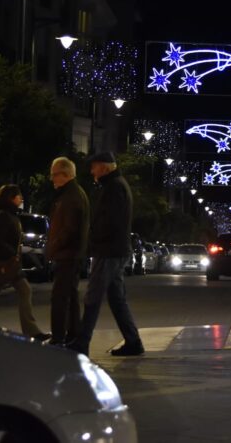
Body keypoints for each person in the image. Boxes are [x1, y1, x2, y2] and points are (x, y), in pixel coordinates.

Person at [67, 152, 144, 357]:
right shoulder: (116, 185)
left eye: (94, 166)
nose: (92, 171)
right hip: (114, 249)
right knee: (116, 298)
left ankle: (82, 342)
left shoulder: (113, 187)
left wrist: (94, 240)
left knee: (93, 296)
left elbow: (110, 222)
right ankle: (133, 341)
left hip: (108, 250)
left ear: (104, 167)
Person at [0, 184, 50, 342]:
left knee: (24, 290)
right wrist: (11, 254)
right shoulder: (3, 216)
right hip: (5, 262)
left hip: (12, 263)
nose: (21, 199)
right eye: (18, 196)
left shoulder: (11, 214)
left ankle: (32, 331)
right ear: (11, 198)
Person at [46, 157, 89, 346]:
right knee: (70, 295)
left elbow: (69, 229)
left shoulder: (70, 197)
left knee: (60, 297)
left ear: (66, 174)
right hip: (71, 253)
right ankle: (72, 333)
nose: (52, 179)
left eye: (54, 175)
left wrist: (53, 246)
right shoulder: (73, 194)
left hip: (67, 254)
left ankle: (58, 337)